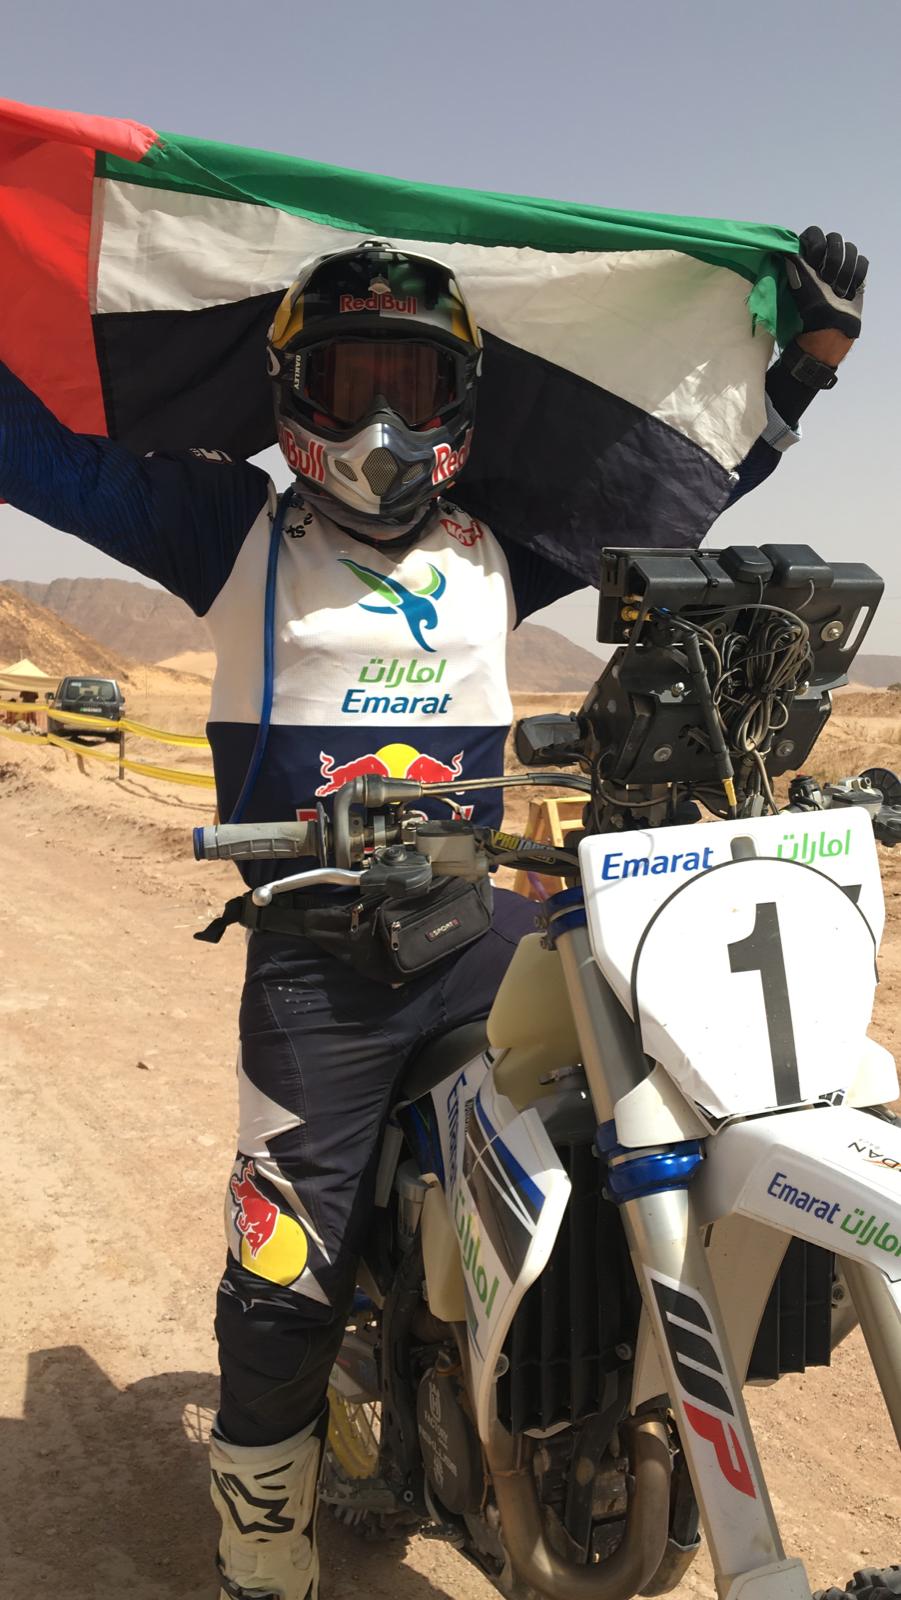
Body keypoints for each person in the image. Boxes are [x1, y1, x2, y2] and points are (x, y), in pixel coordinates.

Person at [0, 225, 867, 1600]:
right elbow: (41, 459)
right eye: (348, 385)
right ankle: (261, 1557)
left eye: (410, 385)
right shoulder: (230, 528)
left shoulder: (500, 544)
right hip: (319, 956)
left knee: (643, 1123)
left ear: (461, 398)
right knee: (283, 1274)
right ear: (292, 394)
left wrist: (798, 373)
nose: (381, 426)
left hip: (480, 935)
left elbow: (671, 483)